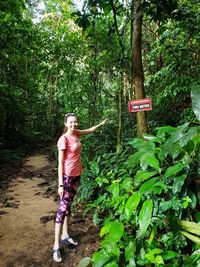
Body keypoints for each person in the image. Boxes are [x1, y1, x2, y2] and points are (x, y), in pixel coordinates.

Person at [53, 113, 107, 262]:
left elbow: (89, 130)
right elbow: (60, 164)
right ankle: (56, 245)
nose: (74, 125)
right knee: (62, 209)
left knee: (68, 206)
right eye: (71, 122)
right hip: (67, 177)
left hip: (76, 175)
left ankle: (65, 235)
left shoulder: (76, 133)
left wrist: (100, 124)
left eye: (75, 122)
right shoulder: (63, 140)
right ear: (66, 123)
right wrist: (61, 184)